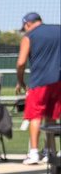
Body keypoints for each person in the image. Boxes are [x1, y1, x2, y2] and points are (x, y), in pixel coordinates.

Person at [15, 12, 61, 165]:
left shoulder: (29, 36)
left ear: (27, 24)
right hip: (58, 81)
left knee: (35, 116)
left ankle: (34, 153)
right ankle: (50, 151)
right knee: (51, 116)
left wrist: (20, 81)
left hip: (39, 82)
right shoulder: (58, 30)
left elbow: (21, 63)